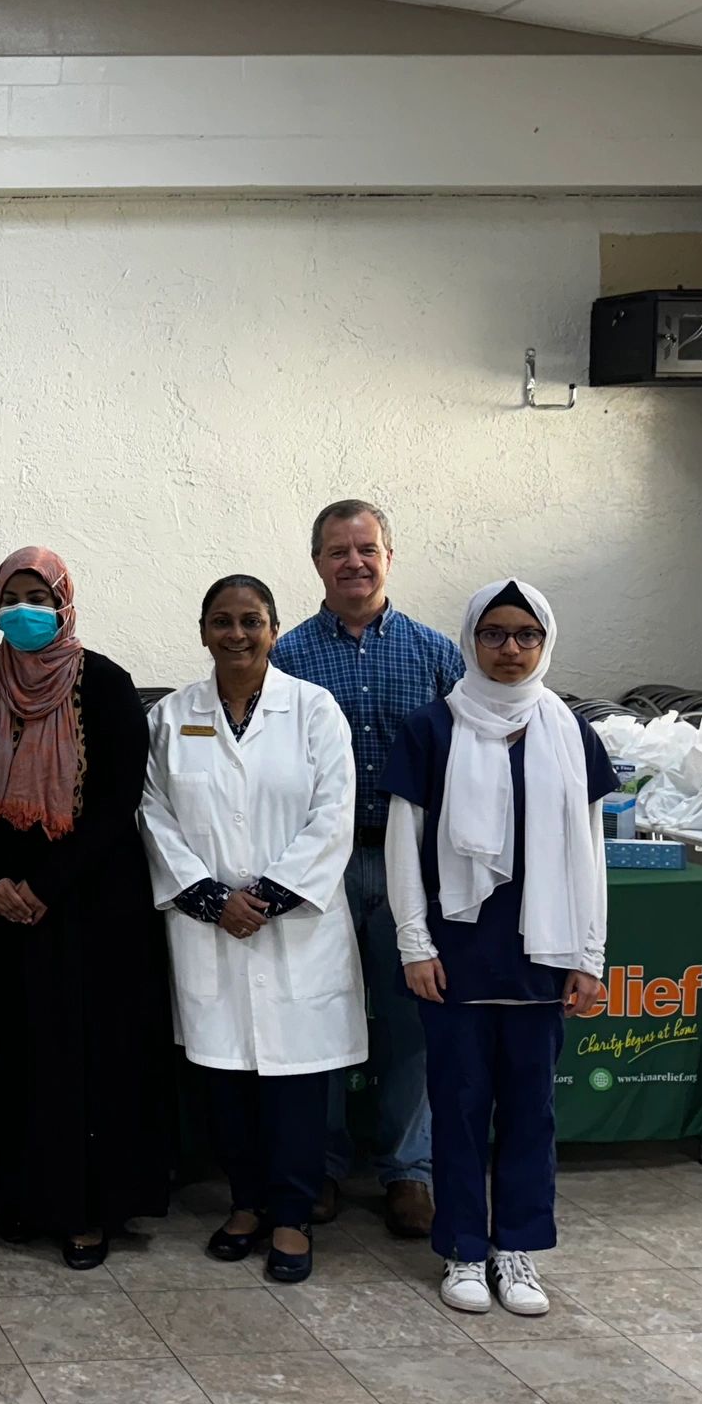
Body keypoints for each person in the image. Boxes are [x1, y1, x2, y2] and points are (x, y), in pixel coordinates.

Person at [386, 580, 611, 1319]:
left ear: (545, 642)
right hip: (456, 953)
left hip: (543, 954)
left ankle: (516, 1247)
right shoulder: (432, 728)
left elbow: (592, 852)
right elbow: (402, 846)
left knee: (530, 1111)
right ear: (470, 641)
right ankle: (462, 1247)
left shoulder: (572, 734)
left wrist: (589, 956)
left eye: (525, 635)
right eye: (493, 634)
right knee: (456, 1106)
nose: (510, 649)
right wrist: (414, 943)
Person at [140, 575, 364, 1286]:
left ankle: (292, 1215)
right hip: (210, 926)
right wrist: (211, 899)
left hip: (292, 928)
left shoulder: (315, 710)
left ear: (274, 629)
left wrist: (263, 897)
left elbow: (334, 814)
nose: (236, 634)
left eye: (251, 621)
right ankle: (245, 1204)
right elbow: (152, 813)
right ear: (203, 631)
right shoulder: (171, 717)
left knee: (297, 1084)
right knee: (225, 1079)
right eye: (222, 621)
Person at [0, 546, 169, 1272]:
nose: (24, 610)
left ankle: (84, 1208)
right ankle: (17, 1195)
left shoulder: (104, 683)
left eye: (38, 597)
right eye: (11, 597)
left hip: (87, 902)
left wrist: (46, 884)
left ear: (64, 603)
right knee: (7, 1049)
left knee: (81, 1055)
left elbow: (117, 800)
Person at [271, 499, 464, 1240]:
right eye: (338, 551)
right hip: (320, 863)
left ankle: (408, 1171)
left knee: (414, 1017)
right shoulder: (287, 657)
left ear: (389, 556)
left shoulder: (437, 655)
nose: (353, 562)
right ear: (317, 563)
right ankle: (318, 1164)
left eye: (366, 548)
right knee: (319, 1012)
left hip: (412, 863)